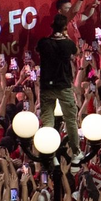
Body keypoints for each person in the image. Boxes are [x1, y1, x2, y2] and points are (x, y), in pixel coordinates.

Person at [36, 13, 82, 161]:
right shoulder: (68, 44)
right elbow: (77, 52)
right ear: (64, 28)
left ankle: (50, 153)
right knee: (70, 120)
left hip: (46, 88)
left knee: (48, 122)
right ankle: (76, 151)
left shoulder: (43, 43)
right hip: (63, 86)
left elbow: (38, 51)